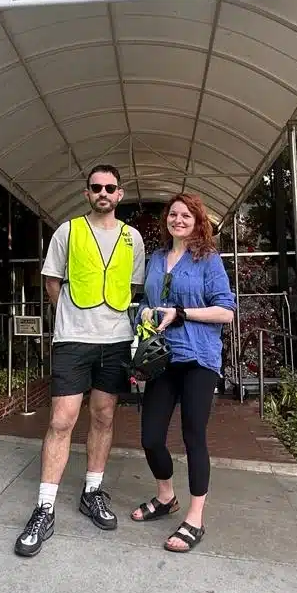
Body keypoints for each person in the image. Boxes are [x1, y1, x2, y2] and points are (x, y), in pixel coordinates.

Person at [15, 165, 145, 557]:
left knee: (104, 416)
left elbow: (134, 287)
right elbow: (52, 280)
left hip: (116, 340)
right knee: (61, 419)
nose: (103, 193)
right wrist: (69, 316)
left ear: (119, 194)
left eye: (110, 187)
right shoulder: (67, 232)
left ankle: (92, 492)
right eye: (96, 187)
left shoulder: (132, 238)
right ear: (86, 193)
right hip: (73, 339)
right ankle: (45, 505)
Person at [131, 194, 235, 553]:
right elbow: (147, 300)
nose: (178, 219)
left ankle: (195, 517)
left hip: (199, 360)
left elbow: (226, 312)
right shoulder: (157, 258)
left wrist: (182, 313)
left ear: (197, 220)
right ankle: (166, 497)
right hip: (163, 359)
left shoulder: (208, 260)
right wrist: (144, 313)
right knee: (150, 437)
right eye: (173, 214)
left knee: (194, 437)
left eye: (185, 215)